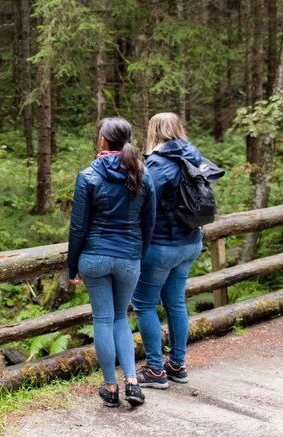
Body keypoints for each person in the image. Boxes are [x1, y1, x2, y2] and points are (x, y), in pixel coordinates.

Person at [67, 117, 155, 408]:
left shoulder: (88, 175)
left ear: (103, 141)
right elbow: (149, 223)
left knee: (103, 320)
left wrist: (72, 265)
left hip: (94, 257)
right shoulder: (143, 173)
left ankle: (110, 386)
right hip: (129, 257)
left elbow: (78, 227)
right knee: (121, 318)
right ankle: (132, 381)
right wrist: (137, 257)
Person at [132, 112, 204, 389]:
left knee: (145, 305)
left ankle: (154, 369)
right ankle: (177, 364)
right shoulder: (194, 157)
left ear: (154, 132)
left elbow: (143, 204)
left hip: (163, 246)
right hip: (190, 242)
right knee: (175, 303)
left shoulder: (158, 166)